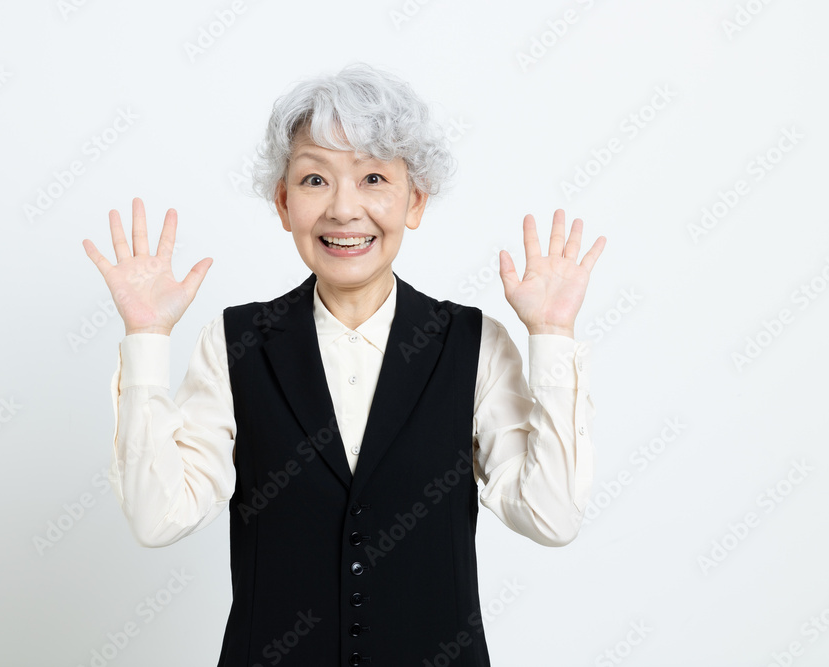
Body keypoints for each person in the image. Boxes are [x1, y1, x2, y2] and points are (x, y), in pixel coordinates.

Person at [82, 62, 606, 666]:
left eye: (373, 177)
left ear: (415, 200)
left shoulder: (473, 343)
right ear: (284, 203)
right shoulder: (235, 342)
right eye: (315, 180)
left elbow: (551, 517)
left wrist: (552, 336)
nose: (343, 209)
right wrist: (147, 339)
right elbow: (158, 519)